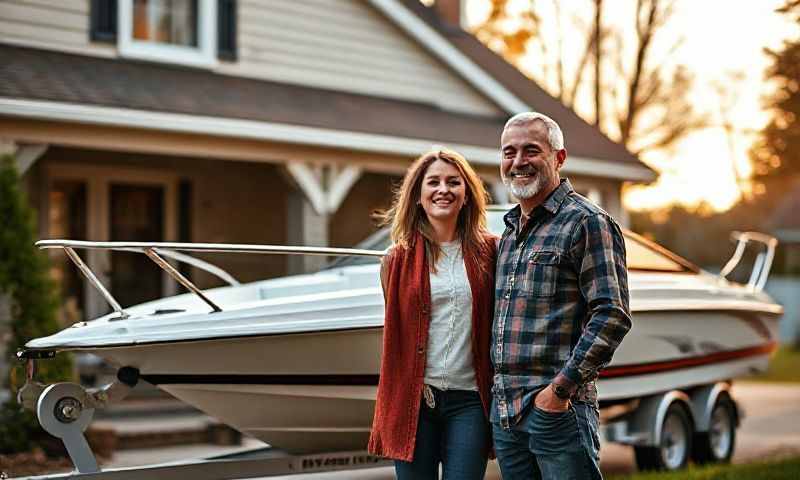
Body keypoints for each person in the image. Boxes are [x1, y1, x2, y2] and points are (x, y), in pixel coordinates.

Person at [491, 112, 632, 480]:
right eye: (509, 152)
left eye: (530, 150)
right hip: (506, 414)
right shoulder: (508, 233)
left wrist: (559, 391)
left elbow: (611, 315)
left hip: (557, 412)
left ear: (559, 157)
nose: (518, 162)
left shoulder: (587, 221)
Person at [368, 148, 497, 480]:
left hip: (470, 401)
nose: (444, 189)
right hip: (414, 402)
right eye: (434, 182)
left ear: (467, 195)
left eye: (454, 182)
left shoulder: (493, 252)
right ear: (418, 196)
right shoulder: (395, 261)